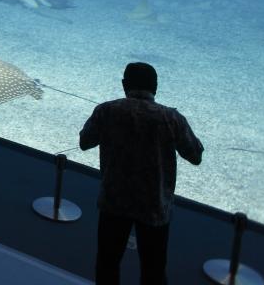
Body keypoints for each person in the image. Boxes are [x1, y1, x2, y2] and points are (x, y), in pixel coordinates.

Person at [80, 62, 204, 285]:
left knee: (107, 264)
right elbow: (195, 155)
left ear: (124, 85)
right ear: (155, 87)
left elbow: (85, 141)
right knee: (153, 270)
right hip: (154, 207)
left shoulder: (107, 110)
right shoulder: (171, 118)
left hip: (114, 202)